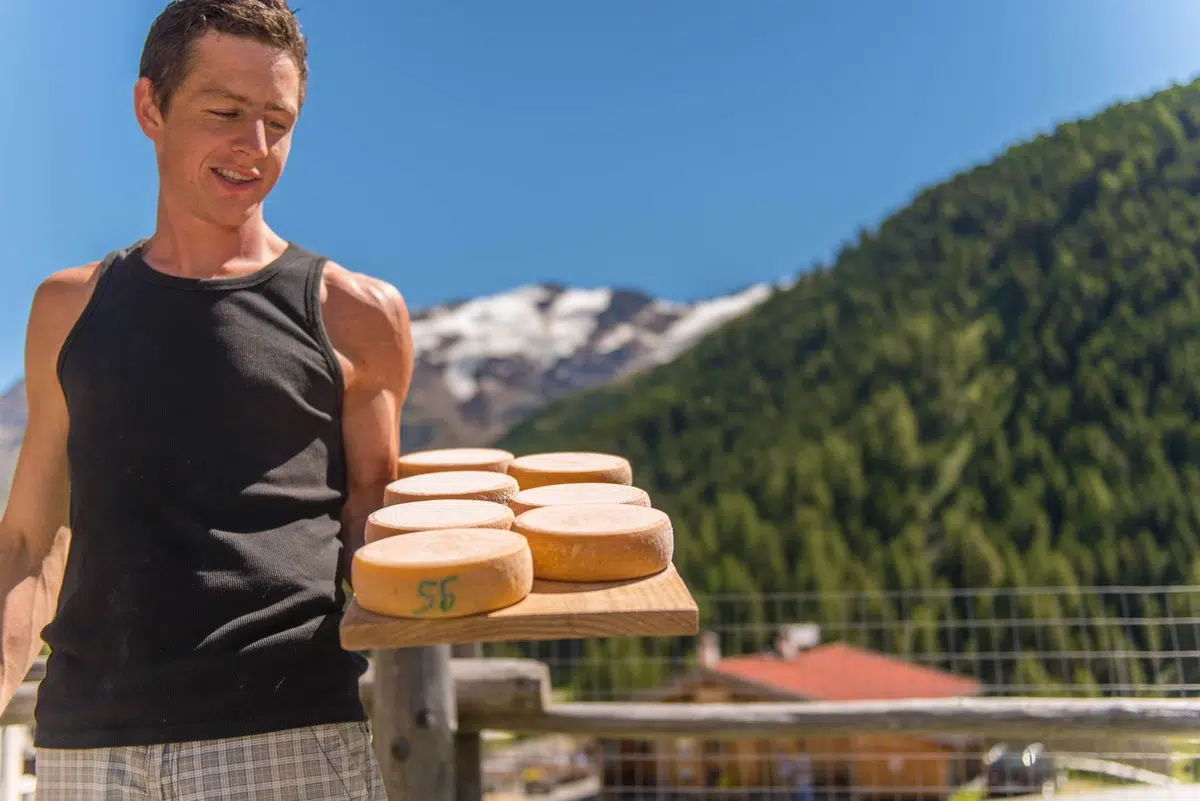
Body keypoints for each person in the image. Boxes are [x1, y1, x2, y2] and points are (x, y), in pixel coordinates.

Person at [0, 1, 412, 798]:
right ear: (150, 107)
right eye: (224, 112)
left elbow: (376, 534)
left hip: (285, 740)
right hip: (85, 750)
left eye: (277, 121)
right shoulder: (67, 309)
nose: (253, 147)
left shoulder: (357, 315)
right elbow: (28, 543)